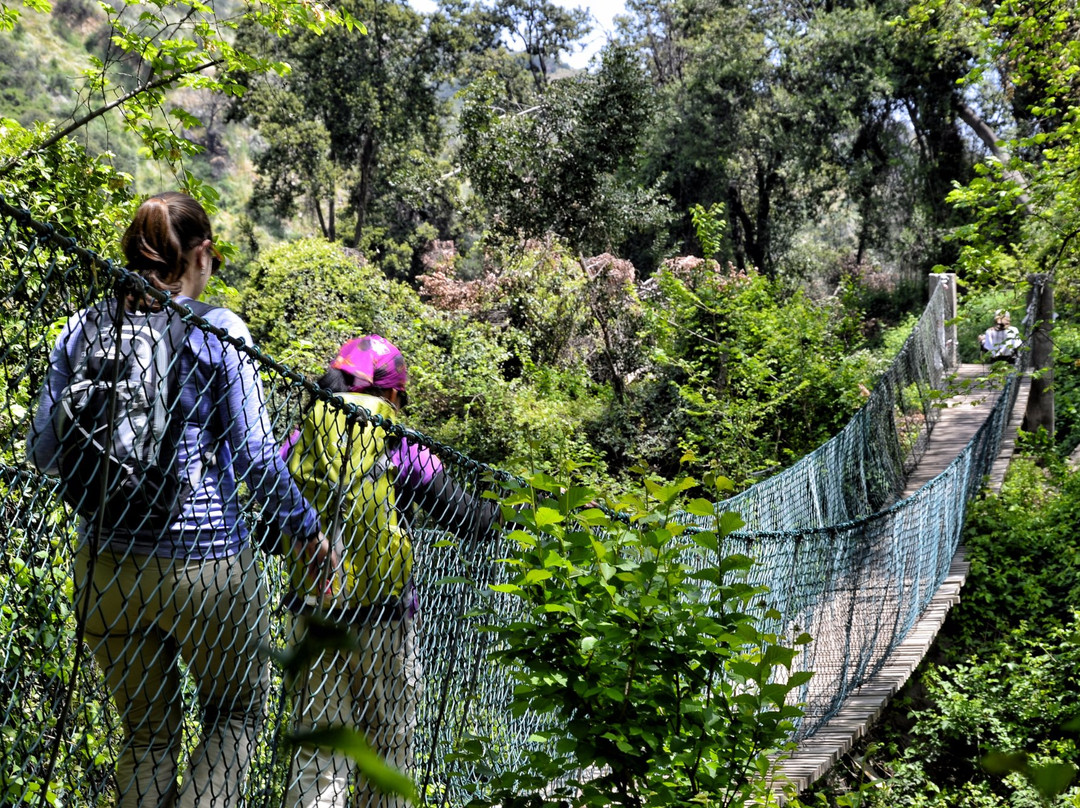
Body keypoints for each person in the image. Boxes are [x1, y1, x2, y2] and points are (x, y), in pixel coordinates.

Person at [26, 191, 330, 808]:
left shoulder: (85, 327)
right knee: (235, 717)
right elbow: (253, 458)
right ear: (201, 255)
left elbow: (43, 450)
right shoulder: (219, 331)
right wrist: (307, 530)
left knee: (145, 738)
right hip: (207, 565)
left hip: (105, 564)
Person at [281, 335, 497, 808]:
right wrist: (510, 512)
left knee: (319, 757)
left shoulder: (301, 436)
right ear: (392, 394)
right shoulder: (397, 441)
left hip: (312, 613)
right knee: (387, 751)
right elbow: (467, 518)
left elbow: (268, 524)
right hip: (383, 622)